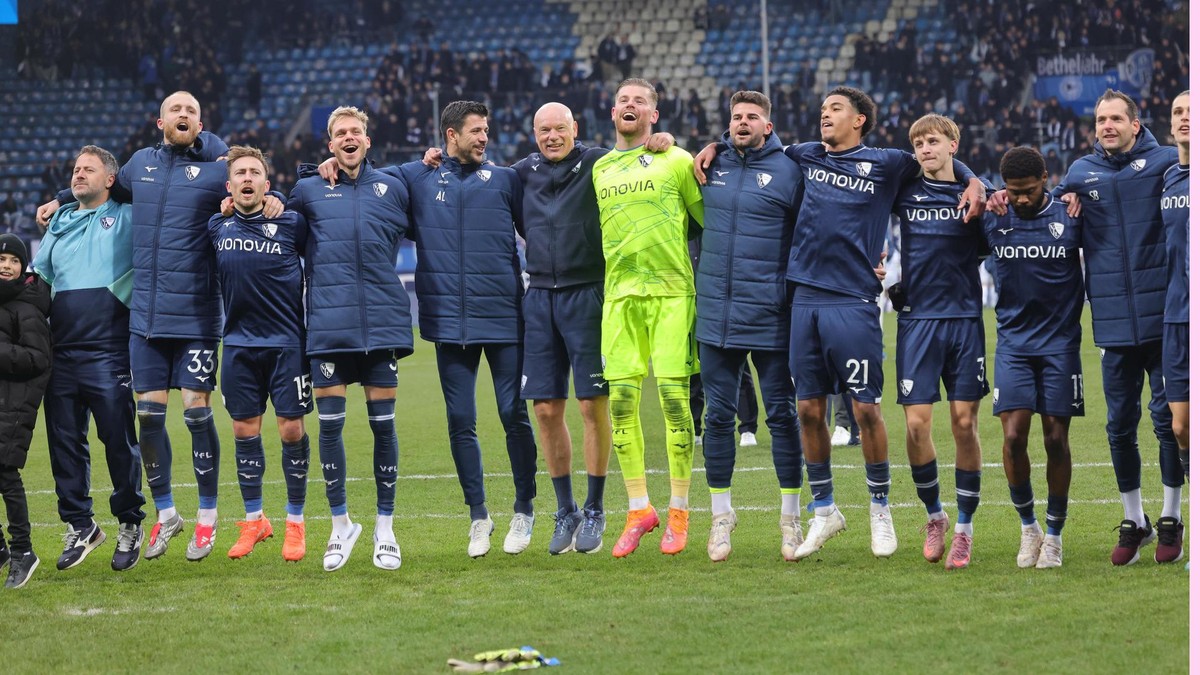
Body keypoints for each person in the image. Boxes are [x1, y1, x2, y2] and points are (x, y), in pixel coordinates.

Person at [696, 86, 985, 559]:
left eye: (835, 110)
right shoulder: (804, 155)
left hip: (853, 300)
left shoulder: (889, 163)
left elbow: (939, 163)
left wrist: (975, 182)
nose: (824, 116)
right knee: (809, 410)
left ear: (860, 120)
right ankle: (825, 509)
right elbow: (749, 142)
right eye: (823, 110)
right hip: (802, 300)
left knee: (866, 409)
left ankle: (879, 507)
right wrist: (716, 144)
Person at [37, 91, 283, 561]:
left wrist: (275, 198)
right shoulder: (137, 167)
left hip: (195, 315)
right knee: (148, 417)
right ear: (159, 121)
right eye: (176, 110)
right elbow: (102, 185)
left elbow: (249, 181)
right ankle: (167, 514)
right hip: (145, 319)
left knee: (195, 412)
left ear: (201, 122)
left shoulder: (215, 167)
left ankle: (207, 518)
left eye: (192, 110)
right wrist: (61, 197)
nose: (184, 115)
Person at [993, 89, 1183, 565]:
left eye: (1117, 118)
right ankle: (1133, 519)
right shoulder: (1079, 174)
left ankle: (1171, 516)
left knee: (1167, 424)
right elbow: (1037, 200)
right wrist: (985, 186)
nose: (1108, 126)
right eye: (1101, 119)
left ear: (1136, 125)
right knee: (1118, 425)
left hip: (1164, 315)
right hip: (1112, 323)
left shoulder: (1165, 164)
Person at [390, 101, 538, 558]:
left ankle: (524, 509)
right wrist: (423, 161)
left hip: (504, 318)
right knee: (460, 421)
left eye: (486, 130)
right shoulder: (419, 179)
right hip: (448, 323)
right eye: (475, 131)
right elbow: (371, 179)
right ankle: (478, 516)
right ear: (450, 135)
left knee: (513, 413)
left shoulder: (507, 180)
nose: (484, 138)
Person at [288, 106, 412, 572]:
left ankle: (385, 528)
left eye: (355, 131)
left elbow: (426, 185)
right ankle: (341, 526)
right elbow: (274, 219)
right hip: (329, 328)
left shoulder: (393, 187)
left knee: (384, 426)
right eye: (339, 133)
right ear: (329, 144)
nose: (348, 138)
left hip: (381, 326)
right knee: (331, 428)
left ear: (367, 139)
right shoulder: (308, 189)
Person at [592, 78, 705, 558]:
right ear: (612, 112)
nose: (630, 106)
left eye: (640, 101)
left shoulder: (676, 160)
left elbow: (708, 223)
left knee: (676, 404)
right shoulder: (598, 167)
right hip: (619, 300)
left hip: (672, 295)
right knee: (620, 403)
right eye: (623, 100)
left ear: (655, 116)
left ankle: (679, 511)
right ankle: (640, 508)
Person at [694, 90, 804, 562]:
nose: (742, 123)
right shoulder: (706, 165)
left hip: (771, 315)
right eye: (736, 117)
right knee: (718, 417)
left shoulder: (790, 170)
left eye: (752, 117)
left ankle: (790, 519)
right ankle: (722, 517)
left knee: (781, 415)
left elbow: (810, 233)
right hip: (716, 315)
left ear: (768, 124)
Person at [33, 146, 145, 573]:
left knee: (118, 440)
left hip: (108, 349)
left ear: (111, 179)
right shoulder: (59, 221)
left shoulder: (129, 215)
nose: (79, 175)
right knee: (63, 445)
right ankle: (80, 525)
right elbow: (40, 279)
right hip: (59, 351)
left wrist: (62, 193)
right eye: (75, 171)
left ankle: (130, 522)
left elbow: (155, 188)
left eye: (88, 170)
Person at [511, 102, 613, 555]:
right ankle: (566, 508)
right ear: (533, 133)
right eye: (543, 130)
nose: (552, 136)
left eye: (560, 128)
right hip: (539, 300)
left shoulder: (598, 162)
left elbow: (637, 157)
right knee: (546, 411)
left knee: (592, 405)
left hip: (588, 294)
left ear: (576, 127)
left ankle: (595, 508)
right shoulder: (521, 173)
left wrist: (660, 141)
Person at [888, 114, 989, 569]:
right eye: (918, 143)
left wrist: (978, 184)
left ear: (953, 145)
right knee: (915, 426)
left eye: (933, 141)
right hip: (916, 321)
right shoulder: (904, 191)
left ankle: (965, 529)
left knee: (965, 425)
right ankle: (935, 516)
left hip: (965, 320)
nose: (925, 149)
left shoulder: (974, 199)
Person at [209, 146, 311, 562]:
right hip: (237, 345)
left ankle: (295, 523)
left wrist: (283, 202)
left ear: (267, 185)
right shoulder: (216, 225)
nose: (247, 178)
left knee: (290, 431)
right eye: (240, 174)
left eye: (255, 173)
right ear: (230, 186)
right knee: (244, 432)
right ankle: (255, 521)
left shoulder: (290, 223)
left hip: (286, 344)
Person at [984, 147, 1083, 569]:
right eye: (1013, 192)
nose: (1021, 199)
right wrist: (981, 187)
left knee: (1056, 440)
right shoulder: (993, 215)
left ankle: (1055, 535)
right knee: (1012, 437)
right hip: (1014, 345)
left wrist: (1072, 193)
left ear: (1046, 178)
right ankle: (1029, 530)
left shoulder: (1071, 215)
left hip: (1060, 346)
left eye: (1029, 190)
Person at [0, 234, 51, 588]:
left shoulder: (28, 307)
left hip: (13, 405)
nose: (6, 265)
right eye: (1, 259)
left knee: (6, 477)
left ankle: (23, 551)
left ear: (23, 267)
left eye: (13, 260)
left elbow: (38, 359)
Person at [1157, 90, 1189, 564]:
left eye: (1192, 112)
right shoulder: (1166, 176)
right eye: (1178, 112)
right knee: (1181, 427)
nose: (1185, 118)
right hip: (1176, 316)